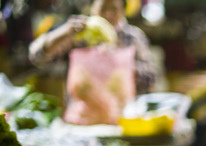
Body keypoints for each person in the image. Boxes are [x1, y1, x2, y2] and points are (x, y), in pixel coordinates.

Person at [28, 0, 158, 95]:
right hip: (82, 119)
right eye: (102, 8)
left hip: (123, 117)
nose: (108, 14)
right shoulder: (77, 35)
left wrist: (123, 67)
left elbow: (151, 79)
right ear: (92, 9)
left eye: (113, 9)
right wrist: (64, 31)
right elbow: (37, 57)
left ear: (123, 11)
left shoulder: (134, 37)